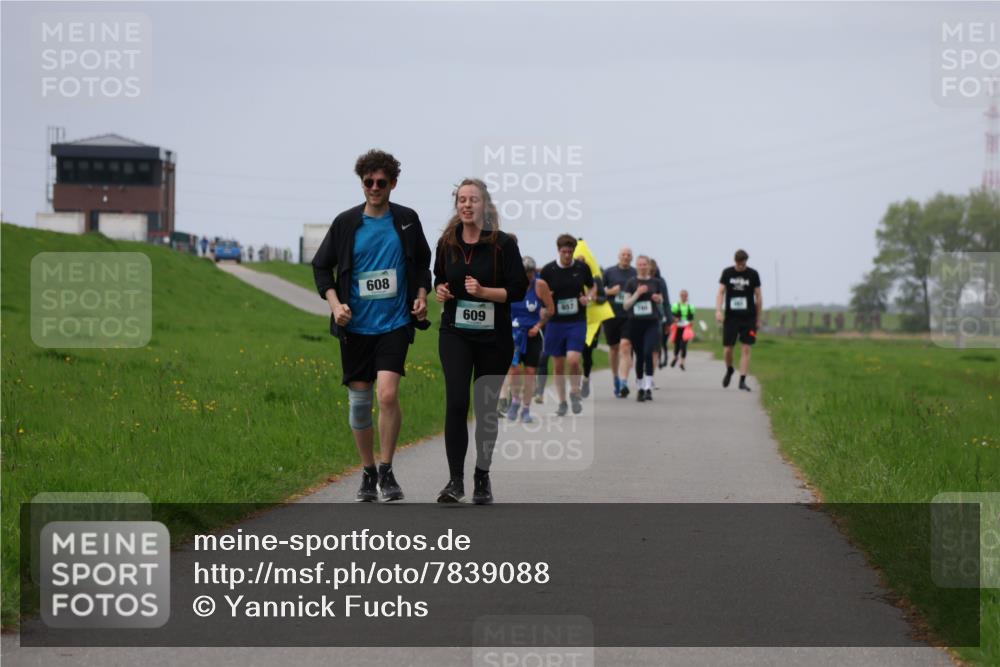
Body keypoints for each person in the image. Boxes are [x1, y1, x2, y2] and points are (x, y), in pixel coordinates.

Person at [311, 149, 431, 502]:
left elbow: (423, 263)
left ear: (393, 183)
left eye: (381, 182)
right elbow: (322, 268)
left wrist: (421, 295)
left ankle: (387, 469)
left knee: (388, 394)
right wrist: (336, 306)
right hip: (356, 326)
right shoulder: (347, 223)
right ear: (361, 183)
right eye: (368, 182)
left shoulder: (407, 220)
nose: (375, 187)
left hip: (394, 323)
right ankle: (366, 471)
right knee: (360, 403)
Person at [434, 178, 527, 504]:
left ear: (485, 205)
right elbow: (439, 279)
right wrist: (440, 291)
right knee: (457, 402)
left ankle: (481, 477)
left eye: (474, 199)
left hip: (494, 338)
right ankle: (455, 481)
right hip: (455, 333)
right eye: (462, 199)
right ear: (457, 204)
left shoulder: (503, 244)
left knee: (485, 409)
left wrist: (485, 293)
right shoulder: (447, 243)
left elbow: (518, 289)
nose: (467, 205)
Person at [535, 235, 595, 416]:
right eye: (564, 252)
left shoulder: (582, 268)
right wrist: (544, 304)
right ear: (558, 250)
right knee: (559, 365)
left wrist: (588, 298)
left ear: (574, 251)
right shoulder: (548, 270)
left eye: (570, 252)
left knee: (574, 359)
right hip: (555, 323)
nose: (567, 255)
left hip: (576, 321)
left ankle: (574, 392)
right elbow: (538, 294)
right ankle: (562, 403)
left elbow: (593, 287)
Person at [716, 249, 762, 392]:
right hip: (731, 317)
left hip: (748, 317)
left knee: (746, 348)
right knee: (728, 349)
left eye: (743, 264)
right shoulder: (727, 273)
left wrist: (758, 318)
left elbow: (759, 297)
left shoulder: (753, 274)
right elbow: (721, 292)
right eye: (739, 264)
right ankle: (729, 369)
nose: (741, 266)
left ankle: (742, 380)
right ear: (735, 261)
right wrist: (718, 310)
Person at [506, 256, 545, 423]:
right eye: (524, 272)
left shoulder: (540, 285)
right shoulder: (509, 285)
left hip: (533, 335)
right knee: (514, 370)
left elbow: (550, 309)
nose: (527, 275)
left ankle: (527, 408)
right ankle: (515, 400)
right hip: (514, 335)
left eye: (530, 272)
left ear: (534, 272)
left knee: (530, 373)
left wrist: (538, 326)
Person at [623, 255, 665, 403]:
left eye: (644, 264)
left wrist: (658, 299)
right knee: (639, 356)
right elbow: (626, 305)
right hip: (635, 323)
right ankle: (640, 387)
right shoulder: (631, 283)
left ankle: (648, 388)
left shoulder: (656, 282)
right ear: (637, 266)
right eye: (639, 264)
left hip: (652, 323)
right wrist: (637, 293)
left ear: (648, 266)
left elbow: (661, 299)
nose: (642, 266)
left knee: (648, 352)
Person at [604, 247, 637, 397]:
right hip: (611, 314)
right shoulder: (609, 272)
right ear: (619, 256)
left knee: (625, 347)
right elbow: (599, 291)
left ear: (631, 258)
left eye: (628, 255)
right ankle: (615, 378)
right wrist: (611, 292)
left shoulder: (635, 273)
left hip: (629, 316)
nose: (626, 257)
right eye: (623, 254)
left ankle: (624, 381)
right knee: (614, 348)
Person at [648, 258, 672, 376]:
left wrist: (669, 321)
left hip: (658, 318)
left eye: (653, 271)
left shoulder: (660, 282)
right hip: (639, 320)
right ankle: (643, 374)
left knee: (656, 348)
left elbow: (666, 302)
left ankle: (649, 377)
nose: (651, 273)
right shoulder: (637, 280)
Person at [670, 290, 696, 370]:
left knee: (683, 345)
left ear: (687, 296)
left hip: (686, 328)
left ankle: (682, 363)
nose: (683, 297)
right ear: (680, 296)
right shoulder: (675, 306)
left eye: (685, 295)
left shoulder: (690, 306)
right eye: (682, 295)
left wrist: (691, 322)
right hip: (677, 328)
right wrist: (675, 319)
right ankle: (675, 357)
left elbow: (692, 317)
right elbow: (672, 316)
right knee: (677, 345)